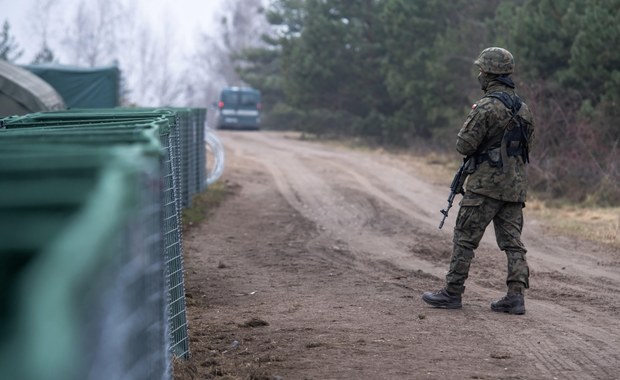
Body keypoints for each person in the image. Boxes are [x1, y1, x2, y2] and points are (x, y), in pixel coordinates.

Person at [422, 47, 535, 315]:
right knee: (513, 243)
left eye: (481, 70)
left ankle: (452, 293)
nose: (479, 75)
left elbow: (464, 144)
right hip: (515, 187)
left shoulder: (486, 106)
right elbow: (526, 147)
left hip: (485, 186)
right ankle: (515, 297)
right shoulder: (524, 109)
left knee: (464, 239)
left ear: (490, 73)